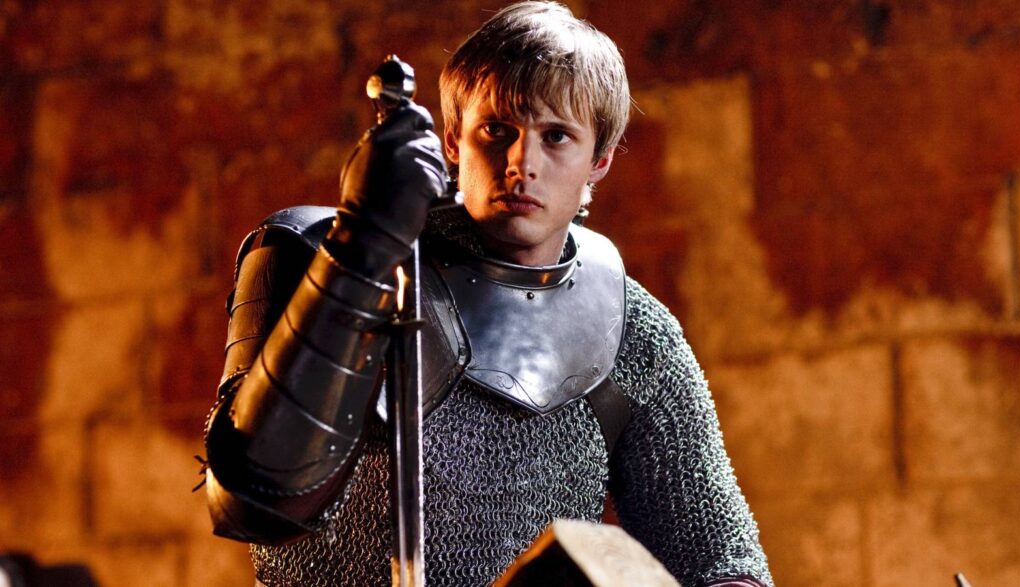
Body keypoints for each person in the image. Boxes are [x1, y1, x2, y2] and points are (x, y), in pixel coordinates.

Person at [201, 2, 773, 586]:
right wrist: (360, 252)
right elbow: (252, 500)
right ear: (453, 140)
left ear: (599, 160)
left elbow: (718, 560)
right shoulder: (317, 258)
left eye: (556, 137)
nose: (521, 163)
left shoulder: (633, 330)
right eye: (498, 130)